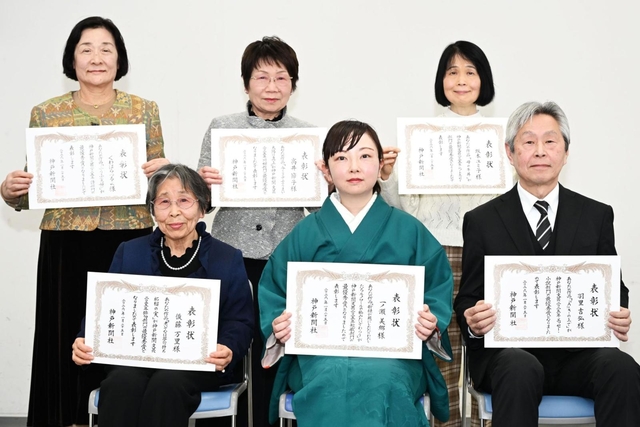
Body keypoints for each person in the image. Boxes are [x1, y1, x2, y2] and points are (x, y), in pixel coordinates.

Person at [0, 16, 168, 427]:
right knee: (63, 337)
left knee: (124, 333)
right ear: (72, 60)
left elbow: (159, 188)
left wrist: (163, 171)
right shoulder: (46, 113)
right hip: (65, 243)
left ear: (119, 59)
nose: (97, 57)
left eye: (106, 49)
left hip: (128, 241)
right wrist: (11, 191)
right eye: (86, 49)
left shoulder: (144, 110)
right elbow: (35, 189)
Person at [454, 101, 640, 427]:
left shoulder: (596, 215)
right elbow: (468, 297)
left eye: (550, 141)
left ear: (565, 152)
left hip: (577, 357)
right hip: (509, 357)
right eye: (528, 141)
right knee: (519, 368)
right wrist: (473, 320)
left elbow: (614, 289)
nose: (540, 151)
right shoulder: (482, 221)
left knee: (622, 368)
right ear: (510, 152)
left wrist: (619, 312)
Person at [259, 120, 454, 426]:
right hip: (318, 356)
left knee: (383, 379)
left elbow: (437, 288)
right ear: (326, 170)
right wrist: (279, 325)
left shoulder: (409, 230)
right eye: (341, 157)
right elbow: (274, 291)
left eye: (365, 156)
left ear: (380, 164)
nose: (354, 167)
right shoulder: (305, 233)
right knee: (331, 380)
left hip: (394, 357)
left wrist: (431, 322)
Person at [71, 164, 254, 427]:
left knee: (167, 383)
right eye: (164, 202)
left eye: (184, 201)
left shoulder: (226, 258)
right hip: (134, 360)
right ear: (153, 209)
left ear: (202, 208)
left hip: (195, 364)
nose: (174, 211)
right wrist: (84, 338)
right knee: (121, 382)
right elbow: (104, 310)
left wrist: (227, 347)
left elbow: (240, 320)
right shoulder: (129, 252)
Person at [197, 35, 313, 427]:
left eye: (282, 78)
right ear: (246, 84)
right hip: (229, 253)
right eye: (262, 77)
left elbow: (318, 208)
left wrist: (325, 183)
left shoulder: (307, 135)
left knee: (275, 346)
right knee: (225, 343)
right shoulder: (222, 128)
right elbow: (202, 203)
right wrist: (204, 185)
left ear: (293, 85)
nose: (272, 87)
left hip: (285, 256)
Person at [379, 40, 496, 427]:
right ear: (441, 80)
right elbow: (403, 208)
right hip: (435, 251)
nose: (461, 80)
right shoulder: (420, 135)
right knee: (438, 347)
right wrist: (389, 176)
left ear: (483, 80)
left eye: (470, 72)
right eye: (452, 72)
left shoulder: (502, 138)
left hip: (486, 252)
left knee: (485, 347)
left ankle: (481, 422)